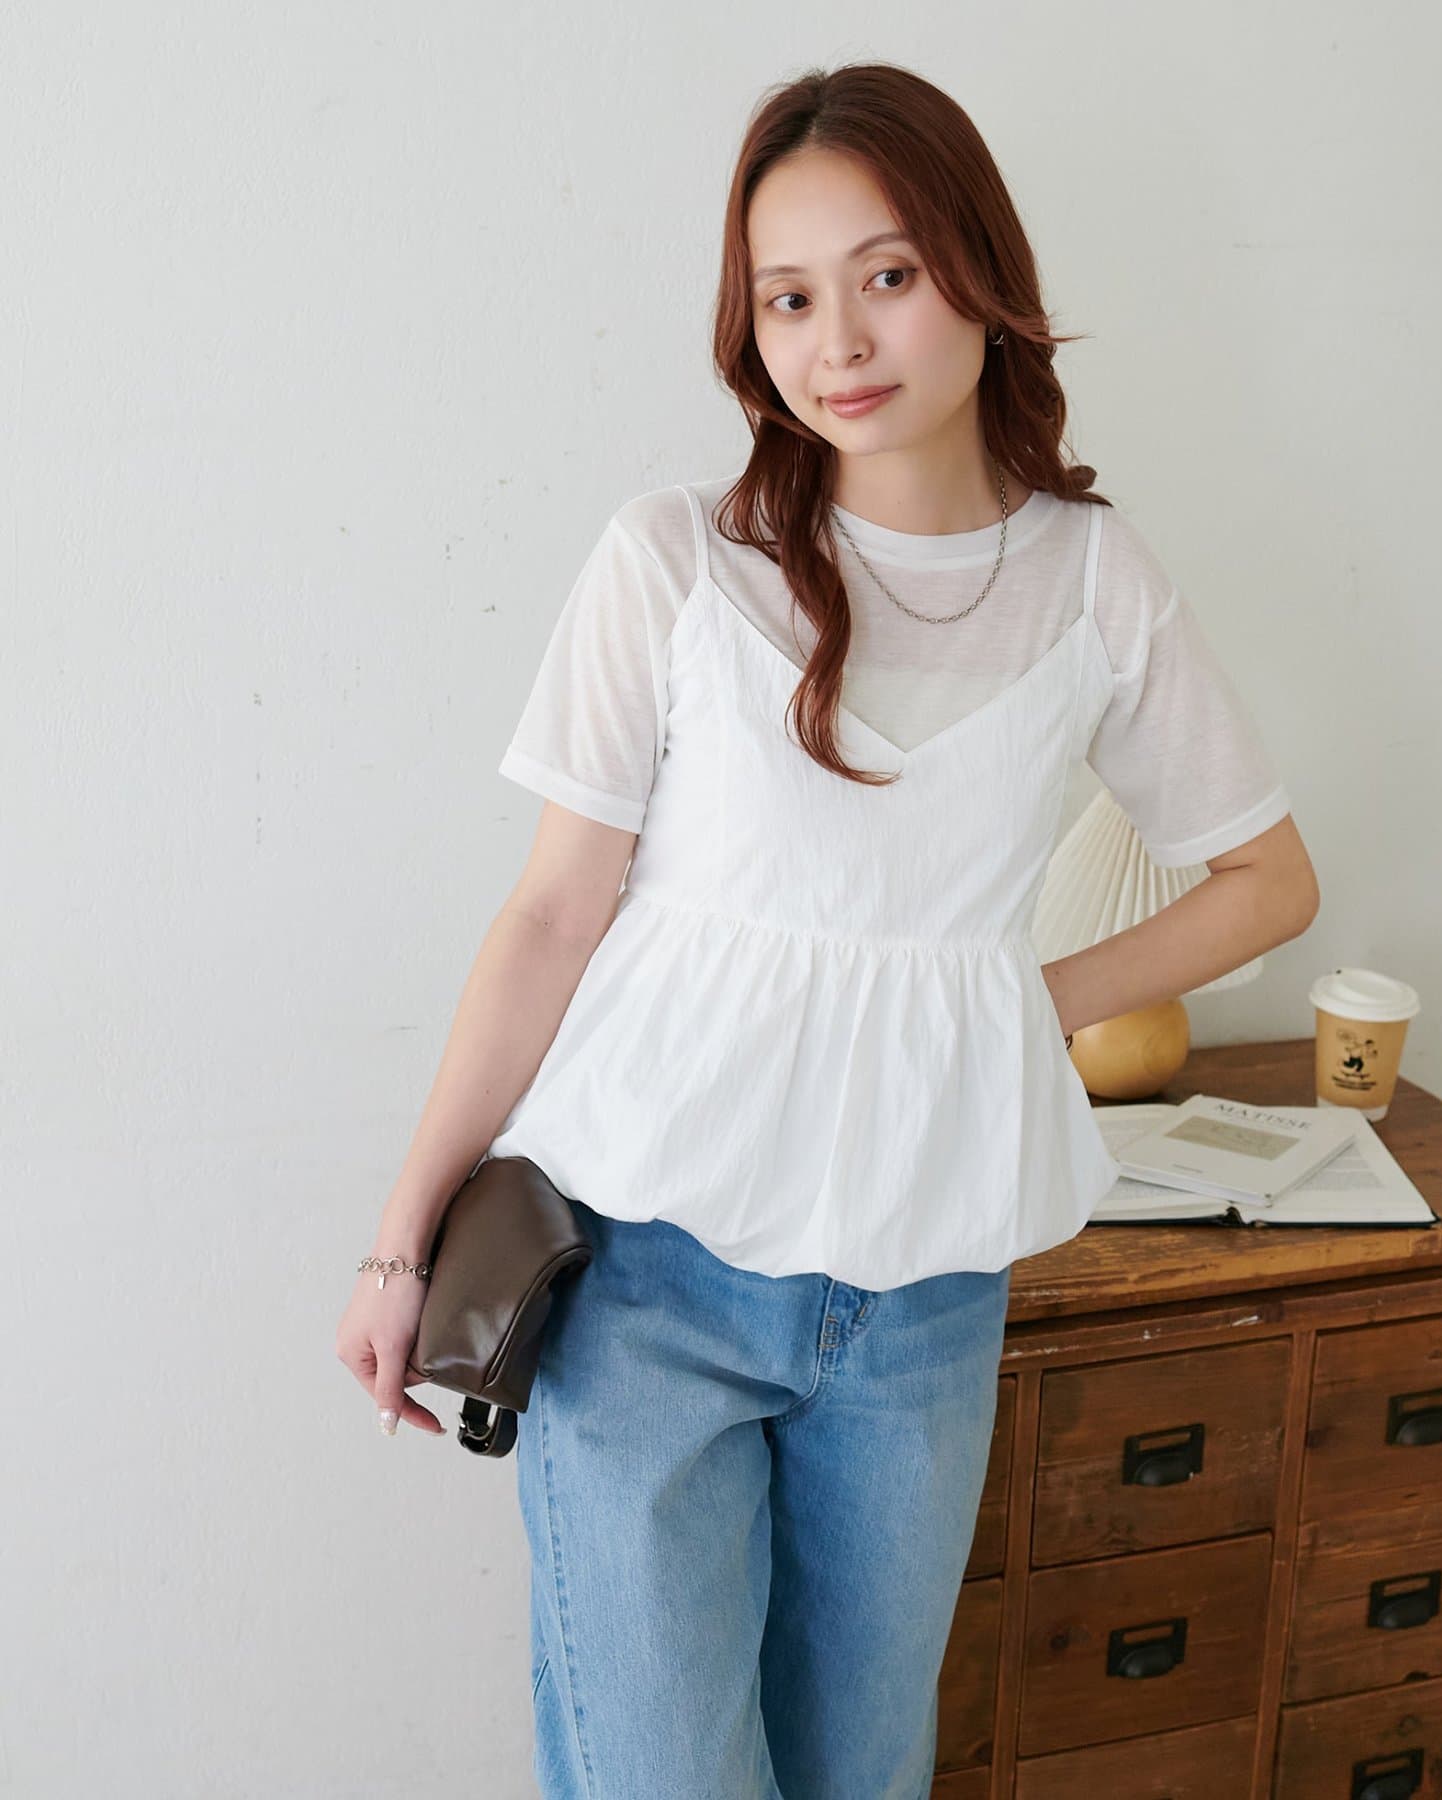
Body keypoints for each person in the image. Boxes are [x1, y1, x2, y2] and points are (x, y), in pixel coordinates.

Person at [336, 60, 1319, 1799]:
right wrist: (402, 1242)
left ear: (980, 276)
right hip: (643, 1273)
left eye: (887, 274)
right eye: (787, 296)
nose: (838, 340)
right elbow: (553, 914)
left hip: (923, 1296)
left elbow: (1267, 881)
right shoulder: (677, 563)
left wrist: (1009, 998)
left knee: (861, 1774)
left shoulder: (1094, 581)